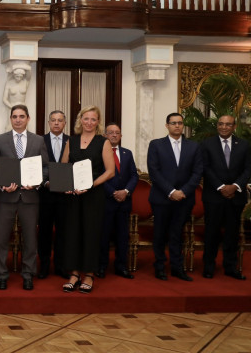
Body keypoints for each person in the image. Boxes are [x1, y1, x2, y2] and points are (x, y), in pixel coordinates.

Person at [0, 104, 48, 291]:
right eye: (14, 116)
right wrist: (1, 184)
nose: (18, 119)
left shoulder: (38, 141)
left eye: (21, 116)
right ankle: (1, 275)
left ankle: (28, 274)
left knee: (30, 238)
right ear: (10, 119)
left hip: (30, 197)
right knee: (1, 239)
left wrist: (37, 182)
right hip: (6, 197)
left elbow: (46, 168)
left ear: (28, 118)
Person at [60, 106, 115, 293]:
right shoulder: (71, 141)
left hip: (93, 195)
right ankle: (74, 274)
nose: (89, 122)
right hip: (74, 196)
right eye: (86, 118)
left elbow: (110, 171)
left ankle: (89, 274)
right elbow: (63, 167)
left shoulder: (103, 142)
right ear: (80, 120)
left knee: (91, 233)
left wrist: (90, 185)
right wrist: (66, 185)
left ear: (98, 122)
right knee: (73, 233)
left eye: (93, 119)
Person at [147, 112, 203, 282]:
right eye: (173, 123)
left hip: (184, 199)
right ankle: (159, 267)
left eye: (180, 123)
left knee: (177, 234)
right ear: (167, 125)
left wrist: (183, 191)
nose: (177, 126)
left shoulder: (194, 146)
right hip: (162, 198)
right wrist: (171, 191)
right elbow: (154, 171)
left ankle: (177, 268)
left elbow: (197, 171)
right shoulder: (156, 145)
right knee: (160, 234)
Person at [200, 115, 251, 280]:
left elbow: (248, 169)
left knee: (232, 234)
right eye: (221, 124)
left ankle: (230, 267)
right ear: (217, 126)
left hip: (235, 197)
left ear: (234, 127)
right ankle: (209, 267)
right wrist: (221, 187)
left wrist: (235, 186)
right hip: (214, 196)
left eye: (227, 124)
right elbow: (205, 168)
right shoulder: (207, 144)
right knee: (211, 233)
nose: (223, 127)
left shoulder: (244, 145)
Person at [97, 123, 138, 279]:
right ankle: (101, 266)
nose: (114, 135)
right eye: (111, 132)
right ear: (105, 135)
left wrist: (126, 191)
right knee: (104, 236)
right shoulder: (100, 153)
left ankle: (121, 266)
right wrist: (113, 192)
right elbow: (98, 176)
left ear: (121, 136)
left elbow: (134, 175)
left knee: (122, 237)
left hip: (124, 202)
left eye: (117, 133)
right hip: (106, 201)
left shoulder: (127, 153)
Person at [38, 110, 69, 279]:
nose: (56, 123)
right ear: (48, 123)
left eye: (60, 120)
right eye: (53, 120)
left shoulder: (72, 141)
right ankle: (43, 265)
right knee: (44, 231)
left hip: (65, 195)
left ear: (65, 123)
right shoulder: (39, 141)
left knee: (63, 232)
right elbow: (36, 165)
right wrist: (45, 182)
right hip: (45, 194)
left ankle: (60, 265)